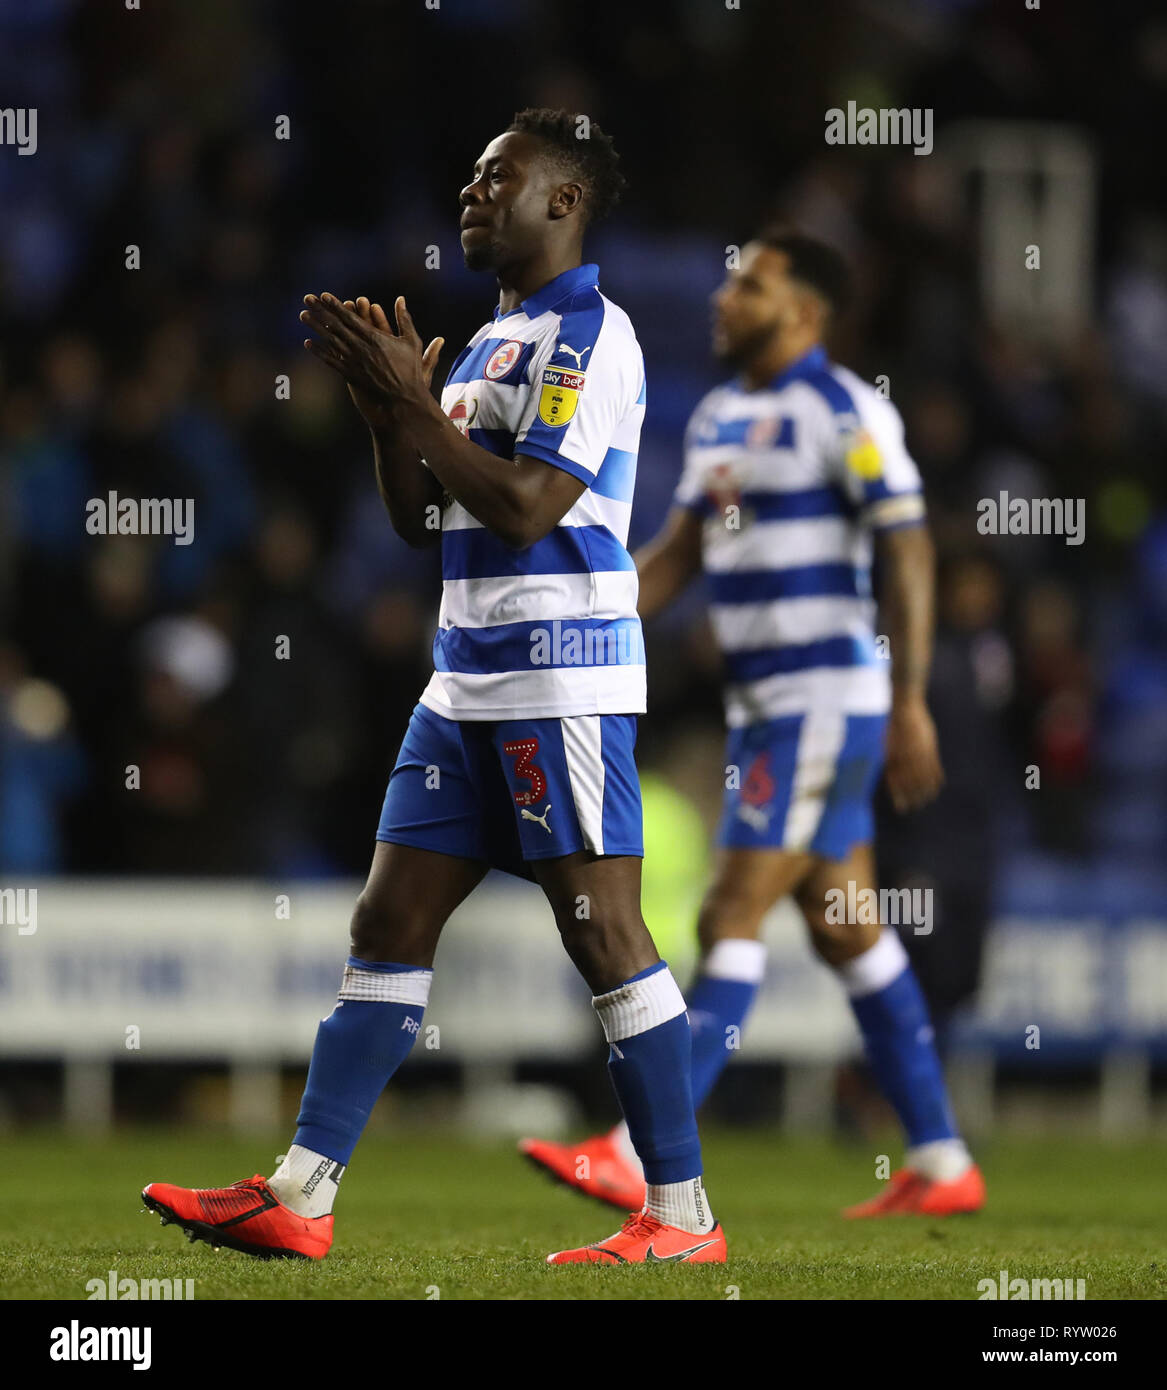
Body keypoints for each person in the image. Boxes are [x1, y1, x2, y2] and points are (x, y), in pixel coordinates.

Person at [142, 109, 725, 1266]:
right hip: (463, 682)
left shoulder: (591, 337)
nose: (470, 194)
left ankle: (682, 1216)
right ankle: (301, 1194)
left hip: (560, 674)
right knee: (388, 919)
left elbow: (524, 507)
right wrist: (384, 418)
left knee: (603, 932)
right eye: (467, 176)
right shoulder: (485, 340)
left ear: (561, 201)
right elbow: (428, 518)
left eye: (495, 177)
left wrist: (415, 409)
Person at [521, 231, 985, 1218]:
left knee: (728, 917)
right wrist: (583, 628)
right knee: (848, 925)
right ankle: (944, 1158)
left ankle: (637, 1152)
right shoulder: (725, 416)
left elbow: (908, 552)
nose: (726, 297)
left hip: (826, 697)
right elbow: (680, 553)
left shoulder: (847, 411)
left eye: (752, 284)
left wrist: (907, 699)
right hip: (765, 707)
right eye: (731, 280)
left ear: (807, 311)